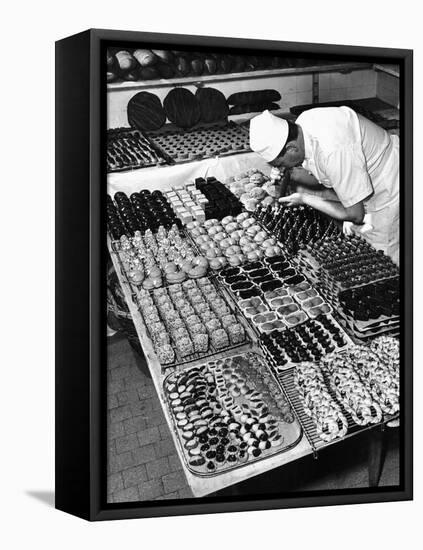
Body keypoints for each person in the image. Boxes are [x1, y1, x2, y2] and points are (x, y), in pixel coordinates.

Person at [249, 108, 399, 265]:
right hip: (362, 177)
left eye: (281, 164)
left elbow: (356, 214)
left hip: (388, 182)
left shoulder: (333, 151)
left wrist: (305, 198)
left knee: (381, 255)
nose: (282, 169)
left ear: (292, 148)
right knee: (358, 242)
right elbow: (322, 171)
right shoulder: (302, 126)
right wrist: (287, 176)